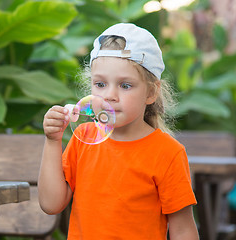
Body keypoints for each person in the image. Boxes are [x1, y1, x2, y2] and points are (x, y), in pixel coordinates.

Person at [38, 23, 199, 239]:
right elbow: (50, 204)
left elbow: (183, 230)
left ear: (151, 92)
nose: (110, 96)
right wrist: (52, 141)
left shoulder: (168, 153)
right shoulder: (83, 139)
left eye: (125, 85)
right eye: (100, 84)